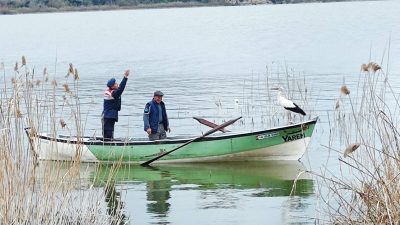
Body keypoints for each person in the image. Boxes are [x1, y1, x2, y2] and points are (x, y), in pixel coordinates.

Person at [102, 70, 130, 140]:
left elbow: (119, 89)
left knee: (110, 132)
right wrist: (125, 77)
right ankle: (108, 145)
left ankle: (109, 142)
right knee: (108, 134)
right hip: (108, 116)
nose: (117, 84)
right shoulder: (111, 93)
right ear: (113, 86)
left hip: (109, 115)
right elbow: (120, 90)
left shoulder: (111, 91)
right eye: (115, 84)